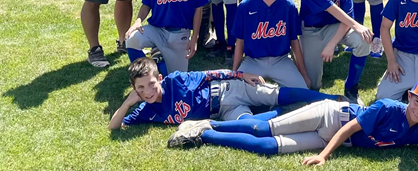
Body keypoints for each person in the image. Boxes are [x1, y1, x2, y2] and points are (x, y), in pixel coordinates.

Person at [166, 77, 418, 160]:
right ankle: (209, 122)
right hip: (331, 116)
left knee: (267, 147)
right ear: (409, 97)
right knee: (261, 127)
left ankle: (203, 134)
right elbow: (349, 128)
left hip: (330, 137)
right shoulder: (388, 107)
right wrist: (323, 156)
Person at [109, 57, 344, 130]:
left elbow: (211, 74)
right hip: (225, 110)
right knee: (252, 126)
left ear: (159, 79)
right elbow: (113, 127)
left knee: (282, 94)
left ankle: (334, 99)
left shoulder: (175, 80)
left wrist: (241, 76)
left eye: (150, 84)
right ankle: (279, 113)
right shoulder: (146, 111)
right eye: (140, 88)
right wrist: (127, 104)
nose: (147, 91)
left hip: (228, 89)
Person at [299, 0, 372, 104]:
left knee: (363, 41)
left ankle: (351, 88)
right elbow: (329, 6)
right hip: (311, 30)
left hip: (335, 27)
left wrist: (332, 44)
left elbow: (346, 18)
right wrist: (356, 25)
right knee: (312, 86)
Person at [231, 0, 310, 89]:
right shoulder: (246, 6)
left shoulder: (288, 5)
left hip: (281, 60)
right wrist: (234, 73)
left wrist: (303, 74)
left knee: (302, 92)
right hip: (253, 61)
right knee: (234, 91)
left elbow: (294, 41)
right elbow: (240, 42)